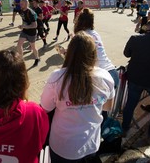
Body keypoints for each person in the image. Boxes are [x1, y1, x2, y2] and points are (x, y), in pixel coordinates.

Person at [40, 32, 115, 162]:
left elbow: (45, 108)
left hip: (62, 146)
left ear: (70, 53)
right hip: (91, 144)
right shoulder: (105, 77)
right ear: (93, 54)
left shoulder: (57, 77)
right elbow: (108, 107)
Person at [75, 8, 120, 87]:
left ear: (79, 21)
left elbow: (77, 60)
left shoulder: (81, 36)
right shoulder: (95, 33)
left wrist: (65, 52)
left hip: (100, 77)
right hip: (112, 73)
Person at [16, 0, 40, 67]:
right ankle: (21, 60)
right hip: (24, 31)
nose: (20, 5)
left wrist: (24, 26)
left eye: (22, 4)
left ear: (26, 4)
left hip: (31, 33)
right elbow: (24, 20)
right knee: (19, 45)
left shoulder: (31, 13)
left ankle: (37, 58)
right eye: (20, 3)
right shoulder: (21, 10)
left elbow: (35, 25)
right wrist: (22, 26)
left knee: (33, 47)